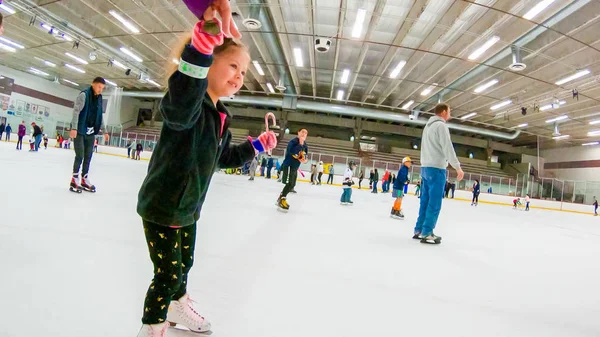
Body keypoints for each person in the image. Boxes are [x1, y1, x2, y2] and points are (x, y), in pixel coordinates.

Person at [135, 12, 276, 337]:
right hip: (164, 204)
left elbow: (221, 158)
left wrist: (255, 146)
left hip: (187, 209)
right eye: (233, 66)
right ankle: (153, 326)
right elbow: (181, 105)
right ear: (207, 64)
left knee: (183, 265)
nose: (240, 76)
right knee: (167, 275)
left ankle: (176, 306)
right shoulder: (189, 104)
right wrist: (198, 50)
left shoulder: (220, 116)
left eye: (243, 71)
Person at [414, 103, 464, 244]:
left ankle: (419, 229)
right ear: (443, 112)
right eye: (449, 111)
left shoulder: (428, 126)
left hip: (425, 167)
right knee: (434, 202)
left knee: (425, 200)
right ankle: (427, 232)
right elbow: (447, 147)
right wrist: (457, 167)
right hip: (436, 168)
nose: (450, 114)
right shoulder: (441, 126)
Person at [69, 77, 109, 193]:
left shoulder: (99, 98)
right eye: (99, 87)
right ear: (93, 84)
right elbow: (76, 111)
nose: (100, 90)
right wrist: (74, 128)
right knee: (80, 155)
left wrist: (105, 131)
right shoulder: (84, 95)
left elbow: (100, 116)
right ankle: (74, 179)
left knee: (88, 156)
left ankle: (84, 179)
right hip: (80, 130)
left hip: (91, 132)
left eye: (102, 88)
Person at [277, 129, 308, 211]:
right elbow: (292, 151)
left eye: (305, 133)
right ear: (298, 132)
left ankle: (281, 198)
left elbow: (304, 156)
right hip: (289, 165)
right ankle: (282, 199)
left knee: (292, 184)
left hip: (295, 167)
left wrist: (304, 160)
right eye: (302, 132)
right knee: (288, 183)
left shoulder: (305, 145)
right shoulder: (293, 142)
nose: (304, 134)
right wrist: (300, 144)